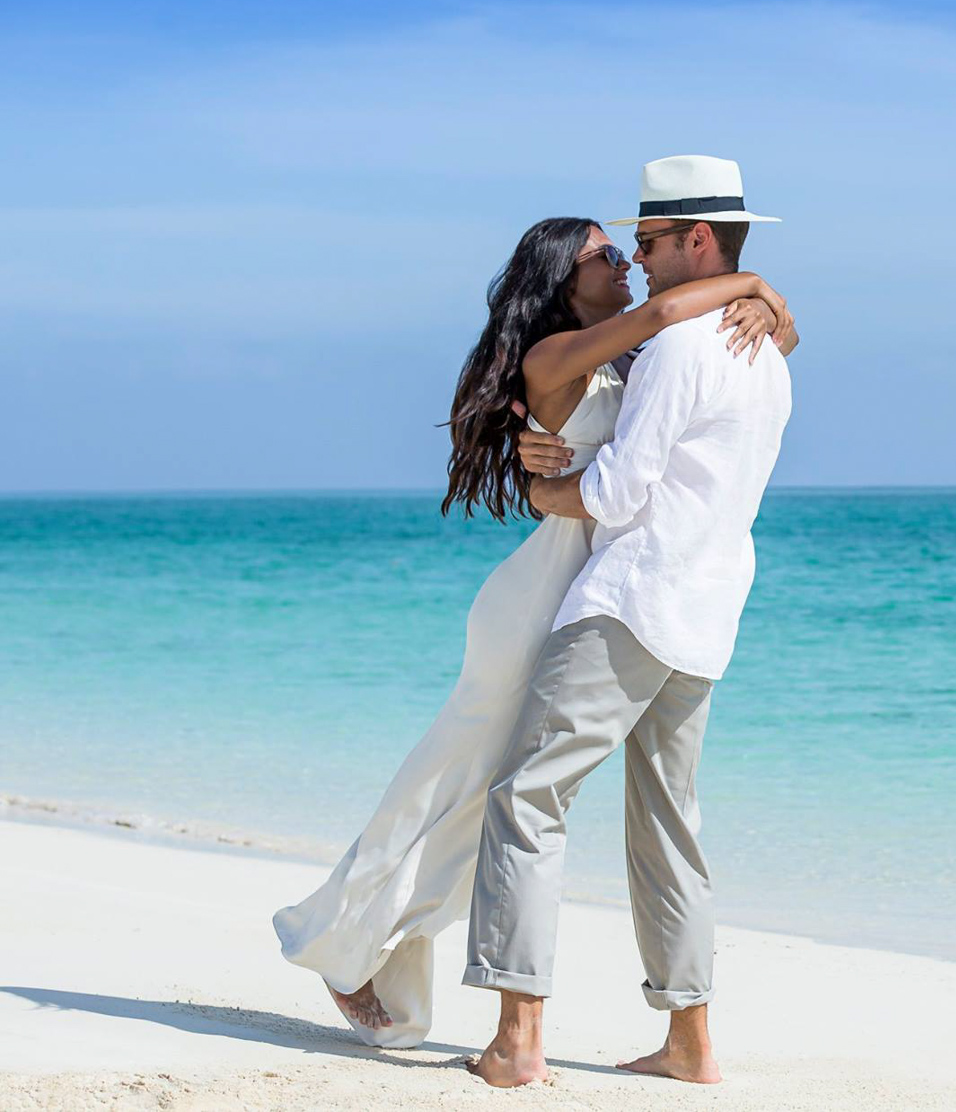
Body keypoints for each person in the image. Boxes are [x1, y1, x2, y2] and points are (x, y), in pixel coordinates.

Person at [272, 209, 796, 1048]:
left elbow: (733, 362)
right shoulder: (553, 356)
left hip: (604, 590)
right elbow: (666, 313)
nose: (623, 259)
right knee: (451, 780)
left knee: (491, 805)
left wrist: (768, 312)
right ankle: (338, 943)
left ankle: (370, 950)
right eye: (602, 253)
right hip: (545, 596)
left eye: (629, 247)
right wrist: (755, 282)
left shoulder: (642, 356)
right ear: (561, 278)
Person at [463, 156, 793, 1088]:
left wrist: (540, 485)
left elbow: (616, 491)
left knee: (527, 800)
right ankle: (690, 1045)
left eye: (647, 242)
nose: (640, 261)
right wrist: (764, 294)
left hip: (632, 603)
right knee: (668, 824)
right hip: (709, 612)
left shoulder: (682, 349)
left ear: (697, 240)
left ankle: (517, 1039)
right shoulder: (766, 354)